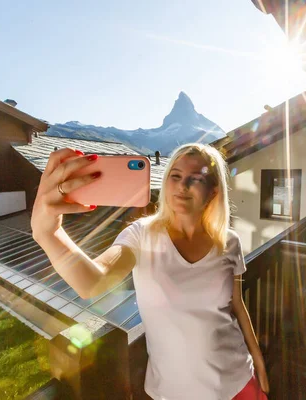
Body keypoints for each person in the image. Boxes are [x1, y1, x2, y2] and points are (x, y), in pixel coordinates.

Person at [31, 143, 269, 400]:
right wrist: (49, 234)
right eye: (175, 176)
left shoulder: (229, 242)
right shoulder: (141, 235)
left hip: (239, 382)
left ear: (213, 191)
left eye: (196, 179)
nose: (182, 185)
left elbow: (237, 304)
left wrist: (258, 361)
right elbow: (92, 282)